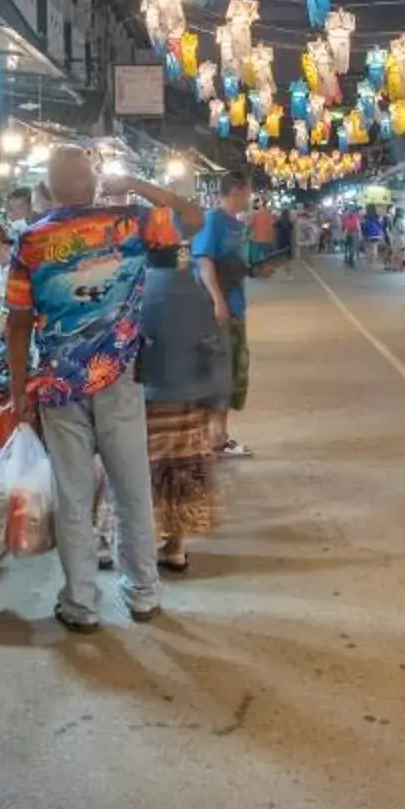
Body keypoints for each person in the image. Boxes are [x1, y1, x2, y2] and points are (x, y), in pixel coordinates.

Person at [4, 147, 194, 631]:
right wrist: (136, 183)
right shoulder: (129, 224)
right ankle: (145, 595)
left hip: (59, 385)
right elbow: (194, 218)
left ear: (48, 187)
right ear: (94, 182)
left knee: (73, 495)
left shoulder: (30, 241)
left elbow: (18, 324)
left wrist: (19, 390)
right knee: (133, 489)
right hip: (119, 378)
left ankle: (81, 604)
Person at [138, 229, 231, 573]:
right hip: (189, 401)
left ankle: (137, 546)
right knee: (180, 475)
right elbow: (215, 347)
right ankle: (175, 548)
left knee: (143, 474)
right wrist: (218, 403)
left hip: (145, 399)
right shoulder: (195, 291)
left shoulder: (136, 289)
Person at [194, 174, 262, 457]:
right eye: (248, 190)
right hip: (221, 310)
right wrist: (217, 301)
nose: (250, 197)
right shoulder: (213, 221)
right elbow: (204, 260)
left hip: (236, 305)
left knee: (235, 369)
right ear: (237, 189)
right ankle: (214, 439)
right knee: (220, 372)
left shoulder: (236, 224)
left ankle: (220, 436)